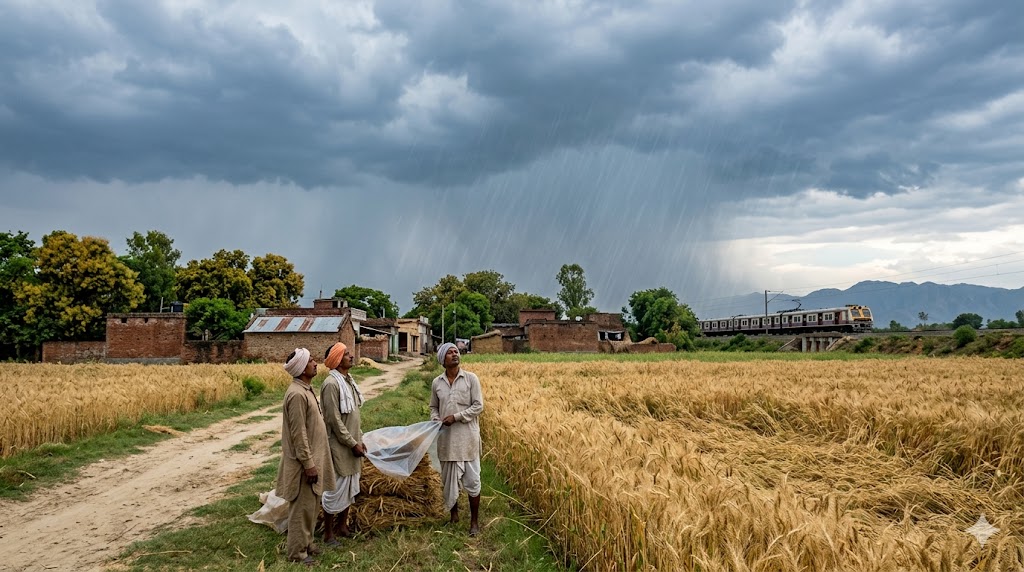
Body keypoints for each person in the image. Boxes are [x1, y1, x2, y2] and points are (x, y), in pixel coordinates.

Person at [276, 348, 336, 567]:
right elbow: (298, 433)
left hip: (313, 460)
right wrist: (308, 464)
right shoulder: (296, 394)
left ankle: (308, 544)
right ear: (301, 368)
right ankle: (297, 553)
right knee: (301, 508)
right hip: (304, 464)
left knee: (311, 505)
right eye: (310, 361)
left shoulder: (306, 389)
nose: (315, 363)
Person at [429, 342, 484, 536]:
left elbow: (478, 406)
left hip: (467, 439)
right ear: (443, 359)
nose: (455, 354)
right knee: (449, 480)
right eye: (450, 352)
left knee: (473, 481)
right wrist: (436, 420)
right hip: (447, 440)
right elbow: (433, 407)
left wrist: (456, 417)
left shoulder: (471, 379)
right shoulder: (437, 383)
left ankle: (474, 523)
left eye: (457, 352)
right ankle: (454, 516)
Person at [319, 342, 366, 544]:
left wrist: (360, 440)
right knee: (335, 489)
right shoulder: (331, 384)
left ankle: (342, 526)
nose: (352, 356)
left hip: (353, 444)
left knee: (349, 487)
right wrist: (351, 443)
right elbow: (333, 420)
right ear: (337, 359)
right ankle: (329, 533)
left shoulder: (348, 382)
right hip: (339, 446)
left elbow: (355, 416)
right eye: (347, 354)